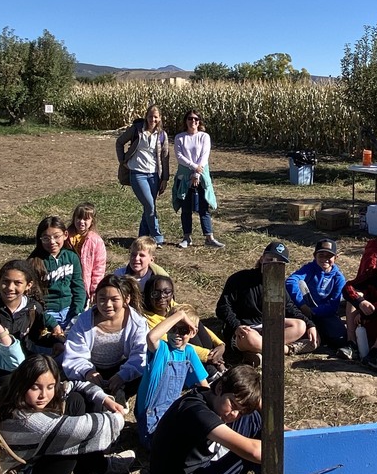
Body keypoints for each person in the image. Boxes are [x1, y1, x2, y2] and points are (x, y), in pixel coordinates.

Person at [0, 355, 130, 474]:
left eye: (50, 386)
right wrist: (119, 416)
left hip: (18, 472)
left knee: (75, 400)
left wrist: (104, 398)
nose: (44, 395)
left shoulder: (10, 396)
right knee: (71, 441)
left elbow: (73, 385)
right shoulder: (29, 422)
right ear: (22, 384)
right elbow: (93, 428)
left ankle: (98, 466)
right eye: (35, 388)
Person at [133, 365, 262, 474]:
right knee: (245, 455)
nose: (234, 415)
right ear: (219, 388)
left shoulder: (207, 396)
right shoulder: (194, 411)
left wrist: (290, 433)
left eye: (239, 411)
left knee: (253, 419)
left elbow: (244, 411)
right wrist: (291, 446)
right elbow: (254, 452)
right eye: (233, 405)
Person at [215, 241, 314, 366]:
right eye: (270, 259)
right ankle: (287, 349)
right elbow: (223, 307)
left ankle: (257, 351)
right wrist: (236, 326)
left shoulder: (278, 284)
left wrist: (310, 324)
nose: (273, 264)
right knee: (251, 338)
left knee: (300, 325)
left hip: (267, 326)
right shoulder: (239, 279)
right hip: (245, 329)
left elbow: (290, 307)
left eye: (278, 262)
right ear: (262, 259)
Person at [62, 274, 147, 408]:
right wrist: (88, 372)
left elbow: (140, 355)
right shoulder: (84, 321)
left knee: (146, 370)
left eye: (114, 299)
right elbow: (74, 354)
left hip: (120, 368)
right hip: (91, 368)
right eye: (102, 299)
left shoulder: (137, 323)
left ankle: (121, 393)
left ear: (126, 299)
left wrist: (122, 375)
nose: (107, 305)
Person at [135, 306, 210, 447]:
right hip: (150, 420)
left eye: (183, 330)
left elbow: (204, 387)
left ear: (193, 333)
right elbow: (151, 337)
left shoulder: (188, 352)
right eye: (173, 328)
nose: (177, 334)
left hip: (171, 414)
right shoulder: (161, 349)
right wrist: (180, 315)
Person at [142, 276, 226, 375]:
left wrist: (220, 345)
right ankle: (212, 371)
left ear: (172, 293)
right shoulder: (145, 319)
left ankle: (217, 368)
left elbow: (199, 327)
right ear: (148, 295)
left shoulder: (175, 307)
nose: (162, 297)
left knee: (192, 319)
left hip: (201, 352)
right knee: (185, 329)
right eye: (155, 293)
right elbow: (172, 342)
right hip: (174, 357)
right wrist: (208, 355)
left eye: (167, 292)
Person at [0, 259, 65, 357]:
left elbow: (37, 336)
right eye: (5, 281)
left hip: (25, 363)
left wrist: (56, 342)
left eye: (17, 283)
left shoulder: (33, 309)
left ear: (28, 285)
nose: (10, 287)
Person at [117, 104, 170, 245]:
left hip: (153, 175)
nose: (153, 119)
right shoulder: (136, 130)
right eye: (150, 116)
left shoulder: (162, 135)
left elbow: (165, 157)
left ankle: (142, 237)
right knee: (150, 205)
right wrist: (122, 160)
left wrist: (165, 178)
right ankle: (157, 237)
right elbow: (120, 142)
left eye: (156, 117)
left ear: (160, 118)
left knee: (149, 206)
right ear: (146, 116)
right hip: (137, 173)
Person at [173, 109, 223, 249]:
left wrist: (197, 174)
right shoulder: (180, 138)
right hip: (185, 176)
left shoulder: (204, 137)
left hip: (201, 174)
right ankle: (186, 237)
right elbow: (180, 156)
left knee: (203, 207)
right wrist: (193, 167)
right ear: (186, 121)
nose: (193, 121)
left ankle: (209, 237)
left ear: (199, 121)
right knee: (186, 208)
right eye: (190, 118)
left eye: (196, 119)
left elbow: (204, 155)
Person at [285, 238, 348, 350]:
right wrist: (302, 304)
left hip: (324, 313)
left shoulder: (339, 278)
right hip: (303, 311)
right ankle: (304, 339)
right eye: (321, 255)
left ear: (335, 258)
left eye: (329, 256)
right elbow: (291, 281)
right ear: (315, 256)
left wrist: (314, 311)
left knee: (340, 339)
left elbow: (333, 305)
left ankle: (316, 338)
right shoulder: (309, 269)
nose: (325, 259)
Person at [29, 216, 85, 330]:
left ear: (65, 235)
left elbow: (78, 287)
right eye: (46, 238)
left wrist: (77, 311)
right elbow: (32, 298)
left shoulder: (72, 257)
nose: (52, 242)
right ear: (40, 239)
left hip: (70, 309)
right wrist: (49, 321)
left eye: (56, 236)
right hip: (48, 312)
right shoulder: (34, 263)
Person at [68, 202, 107, 303]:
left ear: (92, 221)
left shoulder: (96, 241)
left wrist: (95, 289)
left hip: (84, 283)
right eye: (79, 218)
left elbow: (99, 268)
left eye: (85, 219)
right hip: (67, 279)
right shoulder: (65, 237)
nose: (81, 222)